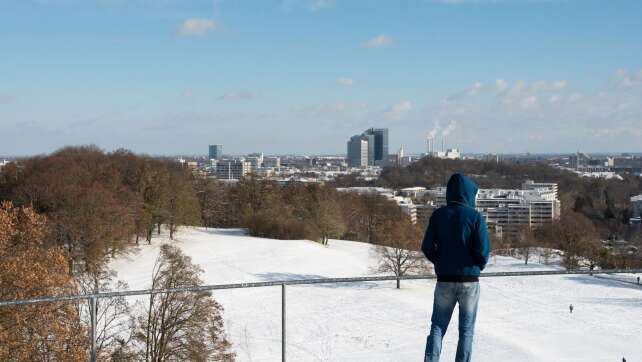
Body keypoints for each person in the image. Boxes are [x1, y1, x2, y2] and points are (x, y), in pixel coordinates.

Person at [421, 173, 490, 362]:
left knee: (437, 327)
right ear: (469, 193)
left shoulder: (438, 215)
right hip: (469, 281)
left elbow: (427, 247)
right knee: (466, 331)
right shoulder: (475, 217)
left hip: (444, 280)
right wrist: (477, 264)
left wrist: (440, 261)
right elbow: (483, 251)